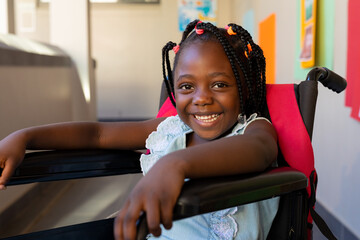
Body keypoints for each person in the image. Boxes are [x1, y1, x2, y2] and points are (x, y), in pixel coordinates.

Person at [0, 20, 279, 240]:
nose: (201, 98)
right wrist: (25, 137)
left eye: (219, 84)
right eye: (186, 86)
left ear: (243, 88)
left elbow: (258, 152)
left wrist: (175, 165)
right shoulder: (170, 129)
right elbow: (96, 135)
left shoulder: (253, 132)